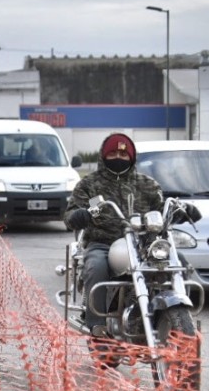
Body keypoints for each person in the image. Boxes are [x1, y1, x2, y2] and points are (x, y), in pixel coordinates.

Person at [64, 133, 164, 334]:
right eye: (113, 153)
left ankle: (169, 317)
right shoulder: (89, 184)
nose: (119, 157)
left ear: (132, 157)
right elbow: (69, 214)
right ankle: (97, 326)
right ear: (104, 156)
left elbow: (161, 211)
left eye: (123, 153)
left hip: (141, 244)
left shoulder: (148, 185)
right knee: (96, 266)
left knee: (176, 263)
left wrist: (182, 212)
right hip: (103, 243)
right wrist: (80, 215)